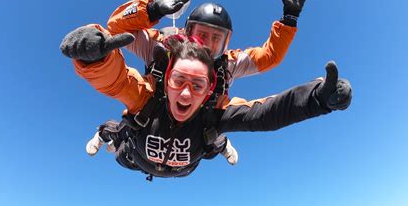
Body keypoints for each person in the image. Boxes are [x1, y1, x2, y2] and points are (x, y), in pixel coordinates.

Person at [59, 25, 352, 180]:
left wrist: (317, 98)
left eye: (197, 85)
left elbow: (266, 113)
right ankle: (103, 135)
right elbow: (116, 81)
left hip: (184, 166)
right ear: (165, 80)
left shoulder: (215, 111)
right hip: (134, 158)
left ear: (211, 88)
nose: (186, 94)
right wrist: (95, 58)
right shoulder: (147, 98)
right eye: (178, 81)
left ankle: (222, 145)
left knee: (213, 140)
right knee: (120, 131)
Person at [86, 0, 310, 164]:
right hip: (150, 126)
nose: (207, 45)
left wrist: (289, 20)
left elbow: (269, 57)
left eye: (216, 39)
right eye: (201, 35)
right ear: (186, 31)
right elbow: (115, 29)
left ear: (225, 43)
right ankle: (106, 133)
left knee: (212, 131)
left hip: (193, 139)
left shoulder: (227, 64)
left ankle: (219, 143)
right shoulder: (162, 49)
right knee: (126, 133)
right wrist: (152, 10)